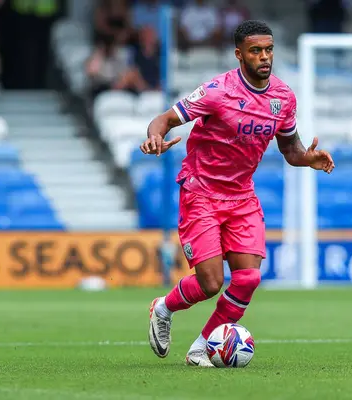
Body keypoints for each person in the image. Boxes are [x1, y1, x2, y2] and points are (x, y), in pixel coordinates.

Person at [140, 20, 335, 367]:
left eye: (269, 50)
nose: (264, 57)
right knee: (212, 282)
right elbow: (165, 119)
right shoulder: (218, 91)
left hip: (242, 196)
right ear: (239, 54)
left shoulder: (283, 97)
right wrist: (155, 136)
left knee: (248, 278)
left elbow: (291, 149)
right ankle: (164, 308)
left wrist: (308, 159)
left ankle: (201, 346)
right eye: (256, 50)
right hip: (201, 192)